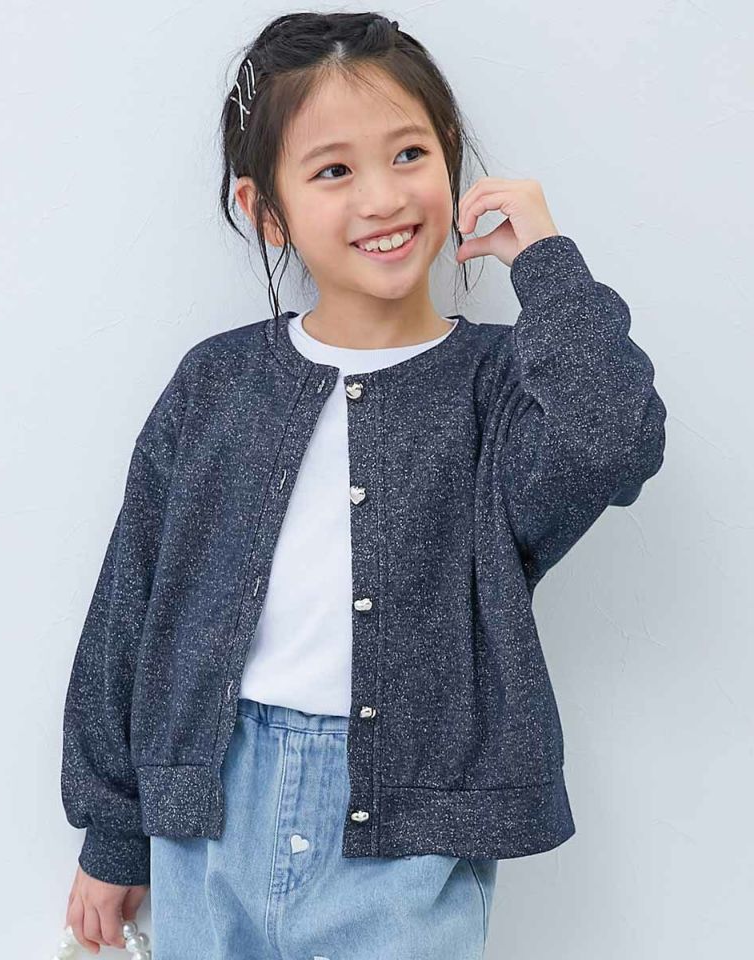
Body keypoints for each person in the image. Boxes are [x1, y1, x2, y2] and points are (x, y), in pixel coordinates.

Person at [60, 10, 667, 958]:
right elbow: (131, 605)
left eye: (410, 154)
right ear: (266, 210)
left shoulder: (501, 388)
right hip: (207, 816)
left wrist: (548, 265)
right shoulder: (216, 383)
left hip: (409, 838)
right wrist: (113, 829)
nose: (382, 197)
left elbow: (613, 442)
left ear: (451, 157)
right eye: (334, 170)